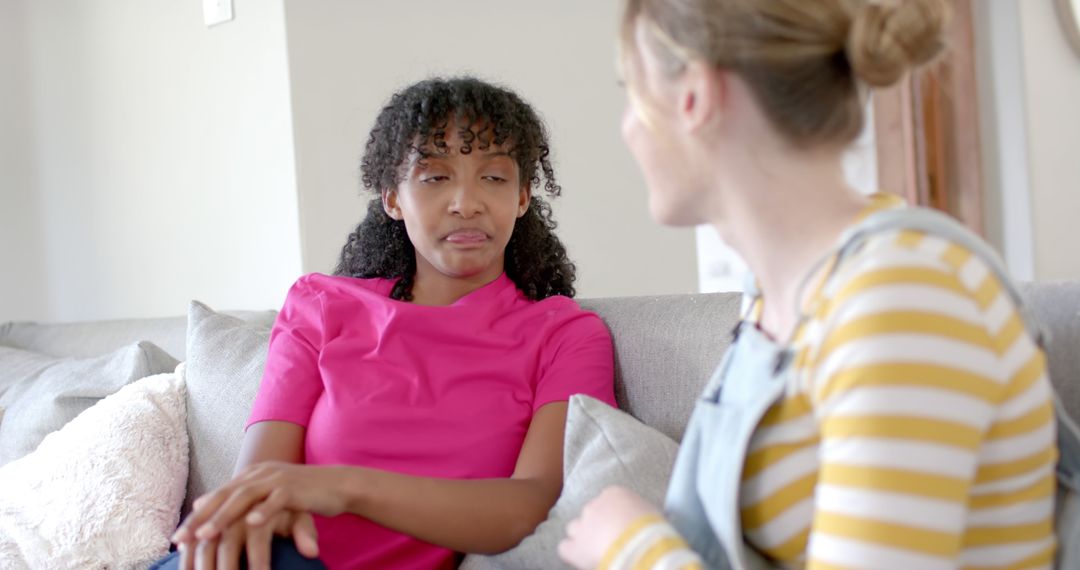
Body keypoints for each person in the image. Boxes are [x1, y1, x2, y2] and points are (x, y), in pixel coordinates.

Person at [558, 0, 1074, 568]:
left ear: (694, 99)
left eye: (632, 91)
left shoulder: (900, 299)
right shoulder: (783, 303)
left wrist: (631, 549)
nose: (627, 128)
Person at [159, 76, 617, 570]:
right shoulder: (320, 305)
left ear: (523, 197)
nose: (466, 202)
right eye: (435, 177)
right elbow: (256, 485)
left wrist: (345, 487)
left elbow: (531, 506)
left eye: (494, 177)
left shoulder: (565, 335)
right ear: (392, 199)